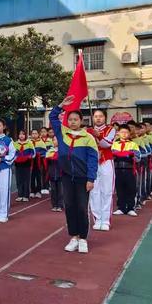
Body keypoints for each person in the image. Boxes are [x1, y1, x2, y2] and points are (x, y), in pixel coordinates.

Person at [49, 95, 98, 254]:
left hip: (83, 179)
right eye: (70, 119)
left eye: (76, 119)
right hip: (66, 177)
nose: (72, 122)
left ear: (81, 121)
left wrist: (91, 178)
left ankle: (83, 238)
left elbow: (92, 160)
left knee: (82, 207)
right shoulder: (62, 133)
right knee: (69, 206)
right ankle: (74, 237)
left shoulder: (88, 137)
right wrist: (61, 106)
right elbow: (52, 117)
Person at [87, 109, 116, 231]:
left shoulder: (111, 129)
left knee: (107, 191)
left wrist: (97, 135)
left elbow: (106, 144)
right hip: (92, 163)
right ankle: (98, 219)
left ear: (105, 117)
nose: (98, 118)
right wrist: (91, 134)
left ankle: (105, 220)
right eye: (96, 116)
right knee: (94, 191)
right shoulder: (87, 131)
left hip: (106, 162)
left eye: (100, 116)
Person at [112, 124, 141, 217]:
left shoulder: (133, 144)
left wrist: (129, 155)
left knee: (131, 189)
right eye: (122, 132)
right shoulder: (114, 144)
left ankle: (131, 208)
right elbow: (112, 156)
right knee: (120, 189)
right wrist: (122, 155)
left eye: (126, 132)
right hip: (118, 170)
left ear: (129, 133)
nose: (124, 134)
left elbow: (138, 157)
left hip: (129, 170)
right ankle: (121, 207)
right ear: (118, 133)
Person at [13, 130, 35, 202]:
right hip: (18, 164)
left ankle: (26, 195)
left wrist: (29, 157)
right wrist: (15, 158)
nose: (21, 135)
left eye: (23, 134)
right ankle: (20, 195)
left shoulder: (29, 143)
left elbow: (33, 153)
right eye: (20, 134)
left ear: (25, 135)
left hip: (26, 164)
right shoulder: (15, 144)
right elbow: (12, 153)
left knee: (26, 180)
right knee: (19, 179)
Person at [45, 136, 63, 212]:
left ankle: (60, 205)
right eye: (54, 140)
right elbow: (47, 163)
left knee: (60, 190)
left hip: (61, 174)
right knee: (53, 190)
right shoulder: (50, 151)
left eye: (57, 140)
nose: (55, 141)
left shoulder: (63, 151)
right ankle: (54, 205)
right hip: (52, 173)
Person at [29, 129, 46, 198]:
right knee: (32, 177)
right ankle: (32, 191)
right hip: (31, 163)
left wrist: (39, 154)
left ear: (38, 134)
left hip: (39, 163)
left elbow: (45, 153)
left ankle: (38, 191)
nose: (34, 135)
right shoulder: (29, 142)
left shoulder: (41, 143)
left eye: (36, 133)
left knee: (38, 177)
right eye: (33, 133)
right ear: (31, 135)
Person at [40, 127, 53, 195]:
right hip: (40, 160)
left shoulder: (50, 140)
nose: (43, 133)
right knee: (42, 173)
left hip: (48, 159)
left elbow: (51, 150)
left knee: (48, 172)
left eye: (44, 131)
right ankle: (43, 187)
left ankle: (47, 186)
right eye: (41, 132)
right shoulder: (39, 140)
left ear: (47, 133)